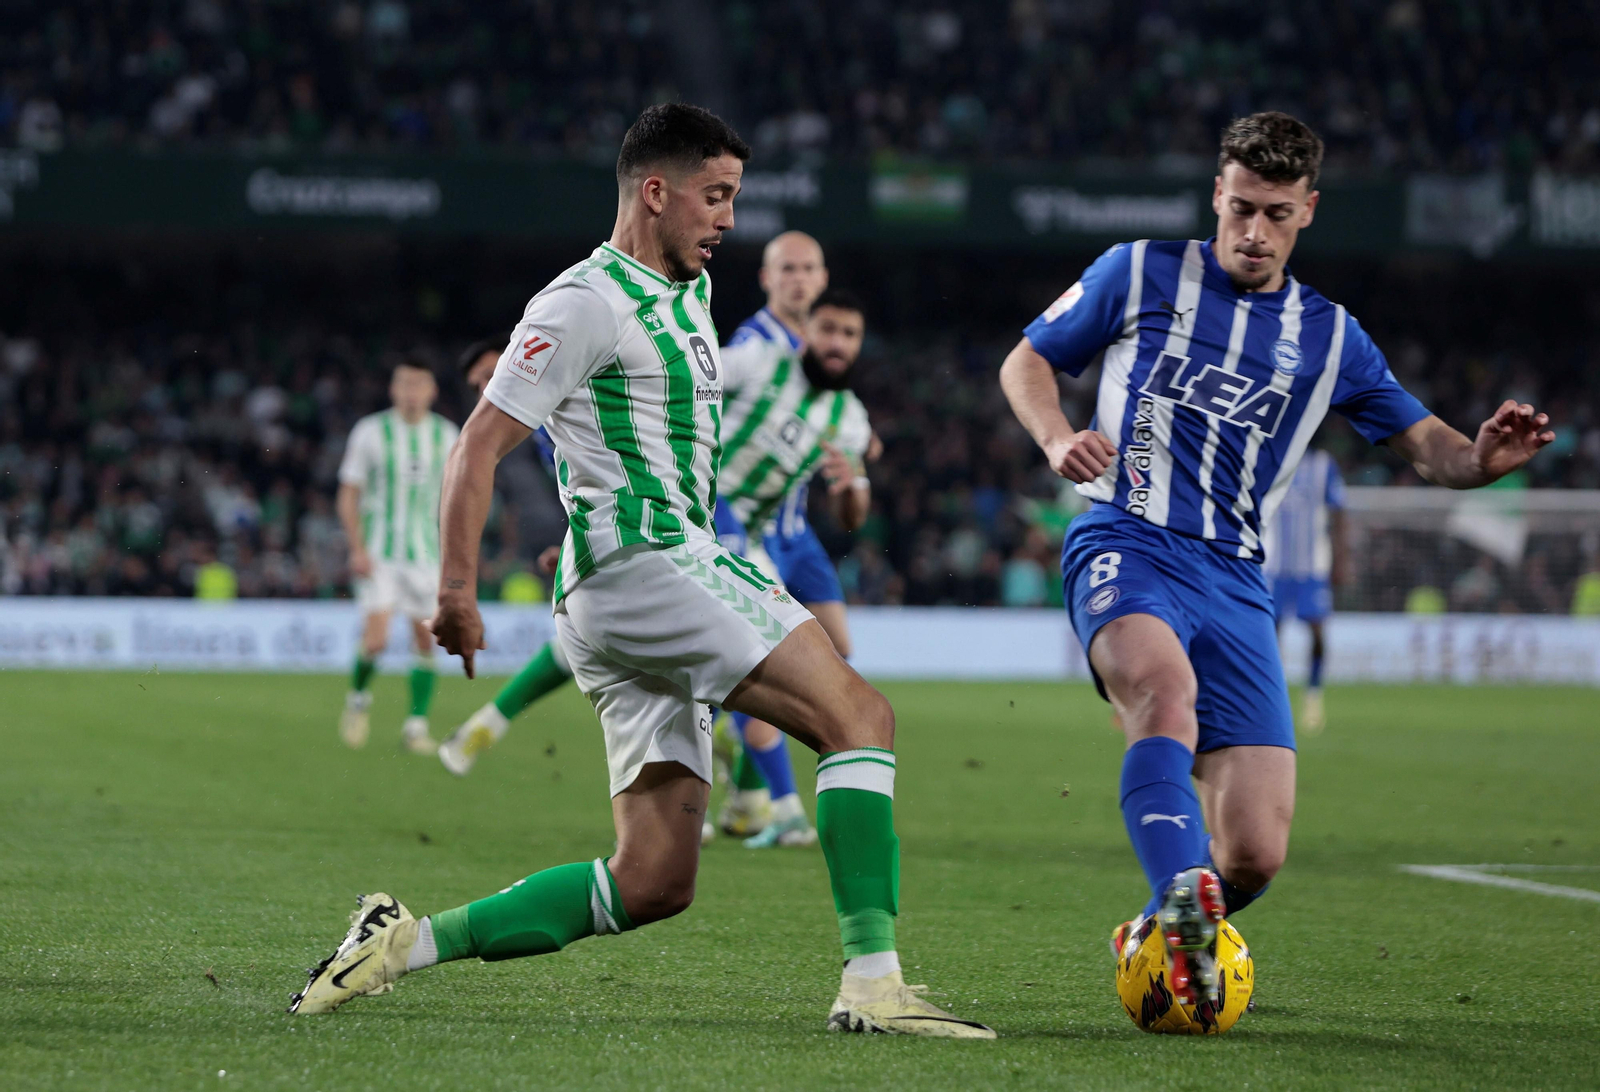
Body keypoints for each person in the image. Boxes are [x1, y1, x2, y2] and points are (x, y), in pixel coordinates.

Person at [290, 103, 993, 1039]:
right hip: (650, 565)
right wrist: (457, 590)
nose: (729, 219)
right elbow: (477, 445)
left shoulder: (689, 292)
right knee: (860, 718)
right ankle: (874, 984)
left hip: (625, 580)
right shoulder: (584, 301)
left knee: (654, 879)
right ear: (655, 192)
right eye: (716, 196)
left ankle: (398, 943)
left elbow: (623, 436)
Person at [999, 111, 1553, 1007]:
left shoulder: (1331, 337)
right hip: (1126, 537)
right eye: (1242, 208)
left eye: (1277, 215)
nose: (1255, 232)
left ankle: (1155, 927)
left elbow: (1432, 450)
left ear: (1309, 212)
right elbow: (1027, 361)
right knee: (1162, 694)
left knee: (1256, 852)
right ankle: (1184, 901)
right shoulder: (1136, 271)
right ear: (1216, 194)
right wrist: (1058, 436)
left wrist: (1483, 459)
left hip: (1235, 579)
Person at [715, 286, 875, 848]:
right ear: (805, 331)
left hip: (756, 535)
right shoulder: (760, 361)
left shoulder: (850, 419)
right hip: (702, 507)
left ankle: (739, 766)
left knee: (827, 653)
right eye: (828, 330)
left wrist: (850, 486)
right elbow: (688, 374)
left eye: (849, 335)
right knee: (767, 654)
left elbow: (852, 516)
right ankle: (782, 807)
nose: (837, 343)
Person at [435, 340, 575, 776]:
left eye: (490, 373)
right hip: (624, 534)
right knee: (584, 641)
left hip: (694, 524)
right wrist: (583, 540)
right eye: (476, 384)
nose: (485, 387)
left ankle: (488, 723)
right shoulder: (540, 431)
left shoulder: (571, 395)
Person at [335, 360, 459, 753]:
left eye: (419, 384)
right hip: (380, 555)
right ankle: (357, 702)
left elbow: (457, 499)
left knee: (425, 640)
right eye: (404, 383)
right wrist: (356, 547)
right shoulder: (370, 432)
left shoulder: (447, 435)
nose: (411, 392)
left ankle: (416, 728)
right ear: (392, 388)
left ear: (432, 390)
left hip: (425, 557)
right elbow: (349, 494)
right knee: (376, 641)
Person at [1262, 447, 1346, 732]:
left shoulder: (1323, 465)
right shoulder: (1269, 455)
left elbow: (1339, 512)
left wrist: (1342, 558)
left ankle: (1313, 695)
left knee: (1318, 632)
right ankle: (1272, 697)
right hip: (1274, 565)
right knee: (1269, 634)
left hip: (1312, 567)